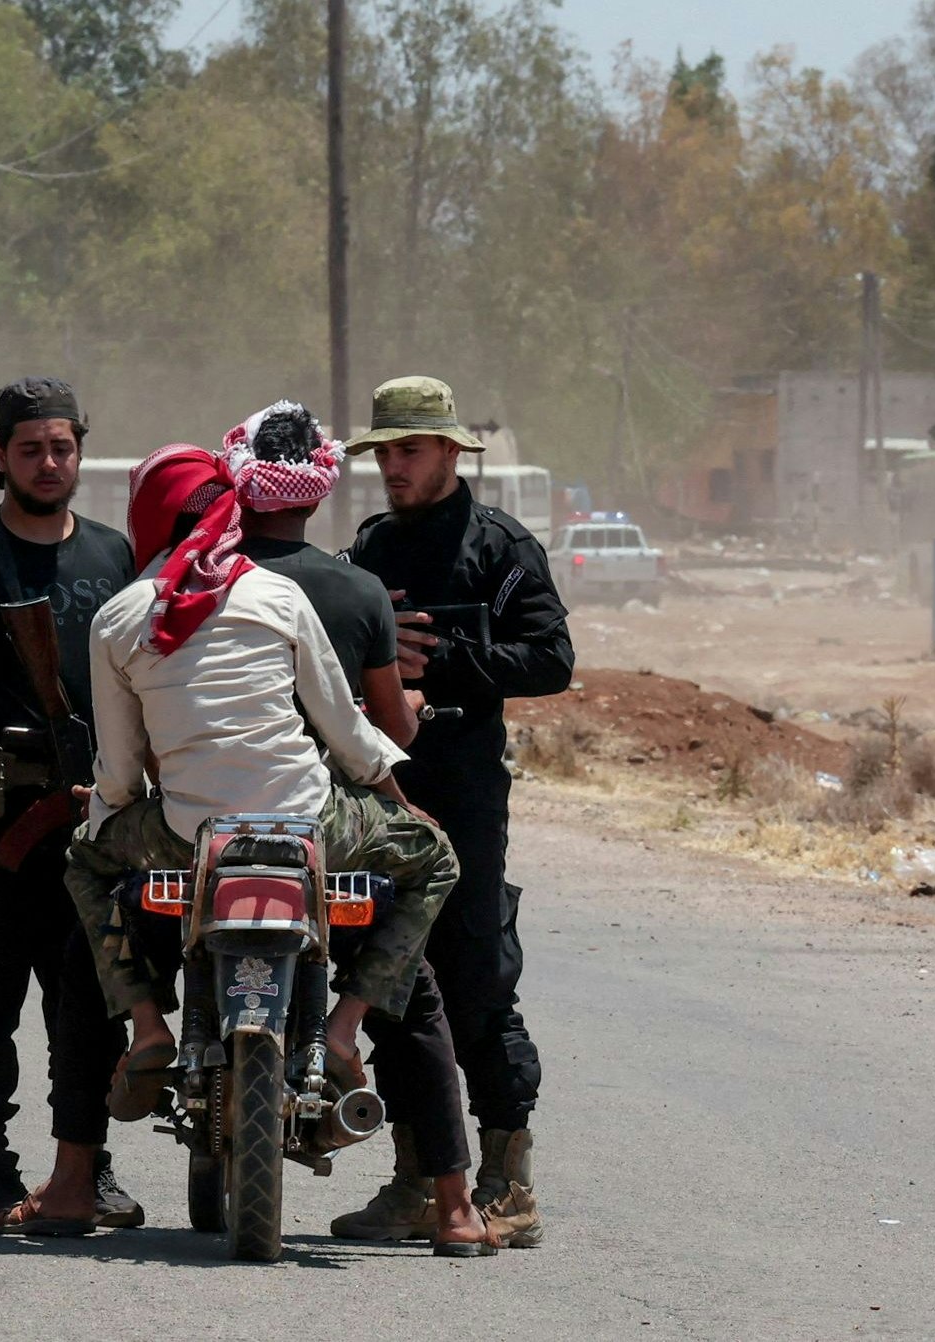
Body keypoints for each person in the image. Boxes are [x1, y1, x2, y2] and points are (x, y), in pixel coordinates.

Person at [62, 443, 496, 1255]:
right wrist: (400, 803)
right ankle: (346, 1026)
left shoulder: (119, 616)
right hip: (309, 825)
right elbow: (347, 733)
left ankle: (148, 1025)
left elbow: (117, 772)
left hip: (190, 836)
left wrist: (110, 816)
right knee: (437, 857)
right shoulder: (277, 595)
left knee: (83, 862)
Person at [222, 402, 482, 1245]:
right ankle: (455, 1206)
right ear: (321, 484)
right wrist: (411, 706)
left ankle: (80, 1162)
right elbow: (387, 730)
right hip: (329, 823)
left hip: (207, 819)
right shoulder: (356, 589)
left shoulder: (199, 574)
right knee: (416, 993)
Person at [340, 375, 575, 1249]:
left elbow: (550, 658)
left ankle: (509, 1183)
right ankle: (415, 1178)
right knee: (390, 981)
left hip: (466, 796)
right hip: (381, 796)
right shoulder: (370, 547)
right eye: (384, 453)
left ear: (448, 451)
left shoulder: (500, 548)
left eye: (409, 451)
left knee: (478, 980)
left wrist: (439, 660)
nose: (394, 467)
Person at [0, 377, 140, 1234]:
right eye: (31, 449)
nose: (49, 463)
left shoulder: (114, 555)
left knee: (93, 995)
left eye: (62, 447)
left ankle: (83, 1162)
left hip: (91, 815)